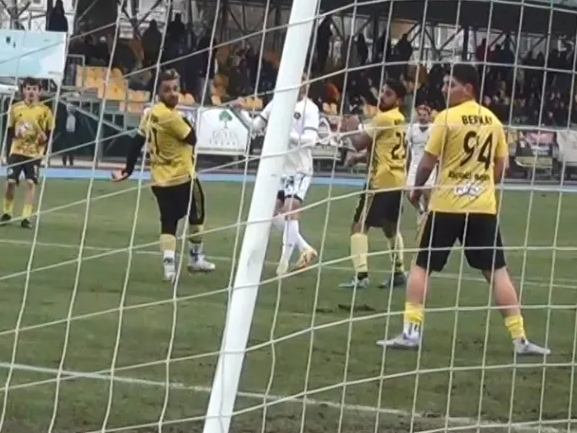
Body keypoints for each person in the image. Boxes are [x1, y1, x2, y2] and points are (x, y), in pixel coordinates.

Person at [377, 64, 549, 355]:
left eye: (451, 84)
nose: (445, 89)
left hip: (446, 205)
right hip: (482, 207)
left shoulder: (446, 118)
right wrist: (481, 184)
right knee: (497, 272)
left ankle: (411, 333)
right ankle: (520, 338)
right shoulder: (493, 120)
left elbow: (428, 162)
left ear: (468, 88)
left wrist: (416, 189)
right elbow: (501, 167)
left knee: (421, 266)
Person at [112, 69, 215, 282]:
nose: (173, 93)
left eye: (176, 88)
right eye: (167, 90)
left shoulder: (149, 113)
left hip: (159, 180)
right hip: (183, 177)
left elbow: (137, 141)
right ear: (158, 92)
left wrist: (128, 169)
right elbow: (192, 138)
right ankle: (195, 258)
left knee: (168, 223)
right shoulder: (172, 117)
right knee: (197, 217)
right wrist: (184, 119)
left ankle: (169, 268)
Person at [231, 77, 322, 275]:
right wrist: (239, 112)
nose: (302, 85)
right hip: (280, 168)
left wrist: (283, 133)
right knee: (269, 214)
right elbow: (255, 127)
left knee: (290, 209)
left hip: (299, 168)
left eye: (304, 81)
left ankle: (283, 264)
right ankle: (305, 248)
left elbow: (310, 140)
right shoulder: (277, 103)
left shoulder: (310, 109)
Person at [339, 79, 409, 290]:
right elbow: (382, 149)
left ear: (398, 100)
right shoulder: (400, 119)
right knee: (390, 228)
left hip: (380, 181)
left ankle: (361, 276)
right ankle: (399, 272)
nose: (382, 97)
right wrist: (359, 159)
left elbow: (359, 142)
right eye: (382, 92)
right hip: (398, 181)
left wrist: (351, 128)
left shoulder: (383, 118)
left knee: (359, 226)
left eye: (388, 94)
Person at [0, 78, 54, 229]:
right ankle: (7, 212)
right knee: (10, 182)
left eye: (34, 89)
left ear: (39, 92)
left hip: (34, 153)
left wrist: (43, 141)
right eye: (28, 88)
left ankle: (26, 217)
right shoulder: (15, 108)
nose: (31, 92)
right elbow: (9, 132)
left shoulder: (45, 111)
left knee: (30, 183)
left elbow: (49, 134)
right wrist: (9, 149)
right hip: (17, 151)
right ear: (23, 90)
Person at [405, 103, 436, 215]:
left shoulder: (434, 129)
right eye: (420, 115)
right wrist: (406, 165)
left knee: (427, 193)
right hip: (414, 165)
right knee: (409, 194)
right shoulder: (412, 129)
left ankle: (427, 216)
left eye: (424, 115)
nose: (422, 117)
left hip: (428, 164)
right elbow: (407, 147)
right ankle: (421, 211)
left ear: (429, 116)